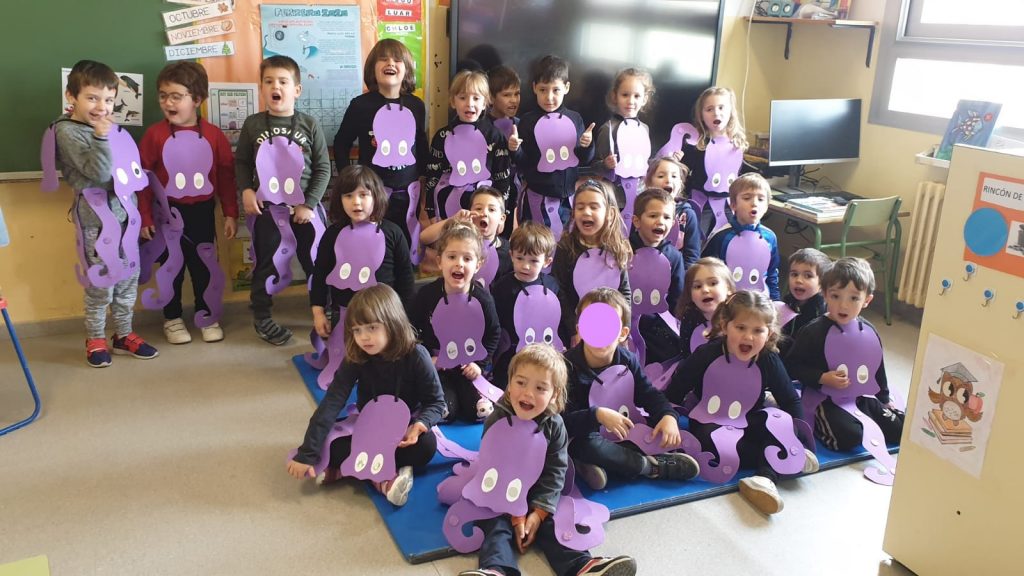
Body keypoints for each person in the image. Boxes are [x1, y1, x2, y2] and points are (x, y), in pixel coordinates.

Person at [458, 344, 638, 576]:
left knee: (557, 522)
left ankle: (582, 566)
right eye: (521, 383)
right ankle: (496, 569)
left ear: (554, 394)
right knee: (493, 523)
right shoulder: (497, 419)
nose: (528, 393)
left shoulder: (554, 425)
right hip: (500, 490)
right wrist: (515, 512)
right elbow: (494, 464)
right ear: (509, 384)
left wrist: (539, 512)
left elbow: (555, 471)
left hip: (538, 491)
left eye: (540, 388)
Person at [287, 285, 445, 507]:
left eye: (372, 327)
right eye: (357, 330)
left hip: (402, 428)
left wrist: (419, 425)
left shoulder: (417, 356)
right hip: (368, 427)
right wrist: (307, 453)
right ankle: (381, 477)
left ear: (393, 323)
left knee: (426, 446)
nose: (364, 337)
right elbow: (332, 402)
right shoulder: (357, 356)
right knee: (330, 444)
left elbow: (436, 402)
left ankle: (351, 470)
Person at [666, 291, 818, 515]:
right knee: (714, 443)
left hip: (749, 420)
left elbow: (790, 400)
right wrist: (668, 421)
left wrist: (799, 439)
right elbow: (674, 393)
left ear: (769, 333)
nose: (748, 337)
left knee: (782, 424)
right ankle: (778, 461)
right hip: (712, 422)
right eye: (741, 328)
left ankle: (764, 479)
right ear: (725, 326)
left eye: (758, 331)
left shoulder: (768, 358)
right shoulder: (706, 354)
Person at [51, 60, 158, 367]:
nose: (102, 107)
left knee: (127, 281)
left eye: (109, 100)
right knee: (102, 283)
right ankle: (95, 337)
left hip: (125, 218)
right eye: (92, 98)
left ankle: (124, 334)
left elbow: (128, 171)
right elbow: (99, 173)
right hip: (96, 223)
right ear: (71, 96)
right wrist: (101, 136)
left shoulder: (111, 130)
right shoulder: (67, 131)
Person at [138, 61, 238, 344]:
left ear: (197, 99)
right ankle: (172, 318)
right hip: (166, 213)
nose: (168, 102)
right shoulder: (154, 135)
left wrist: (230, 213)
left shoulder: (214, 135)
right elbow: (141, 179)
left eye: (176, 96)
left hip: (202, 212)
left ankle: (207, 314)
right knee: (171, 268)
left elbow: (226, 177)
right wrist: (145, 217)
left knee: (204, 266)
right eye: (163, 95)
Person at [563, 288, 698, 490]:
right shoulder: (565, 366)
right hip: (585, 434)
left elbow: (648, 394)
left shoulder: (627, 360)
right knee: (586, 446)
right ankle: (651, 466)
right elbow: (562, 421)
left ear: (623, 334)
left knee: (654, 427)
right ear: (580, 329)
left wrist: (667, 416)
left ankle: (602, 464)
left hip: (621, 426)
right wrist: (597, 415)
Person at [236, 55, 331, 345]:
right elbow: (241, 162)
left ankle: (325, 309)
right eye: (269, 81)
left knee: (316, 260)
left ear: (296, 90)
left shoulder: (309, 124)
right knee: (266, 262)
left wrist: (309, 204)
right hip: (267, 210)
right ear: (261, 88)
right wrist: (246, 190)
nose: (275, 87)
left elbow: (323, 168)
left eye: (283, 81)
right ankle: (262, 316)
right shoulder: (253, 124)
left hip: (304, 209)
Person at [784, 257, 905, 452]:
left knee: (900, 430)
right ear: (824, 294)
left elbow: (877, 367)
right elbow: (791, 366)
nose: (843, 306)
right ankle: (821, 426)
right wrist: (822, 378)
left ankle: (863, 417)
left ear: (867, 300)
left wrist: (884, 398)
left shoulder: (869, 330)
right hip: (824, 399)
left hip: (861, 395)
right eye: (835, 296)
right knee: (850, 437)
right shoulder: (813, 331)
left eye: (854, 298)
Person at [333, 39, 428, 250]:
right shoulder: (360, 105)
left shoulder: (416, 105)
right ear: (372, 68)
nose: (390, 63)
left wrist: (425, 183)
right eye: (383, 59)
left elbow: (421, 145)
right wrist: (349, 180)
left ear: (407, 69)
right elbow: (341, 143)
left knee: (406, 247)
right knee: (374, 247)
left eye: (397, 60)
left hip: (409, 194)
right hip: (371, 195)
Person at [309, 164, 415, 343]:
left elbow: (406, 278)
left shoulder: (393, 233)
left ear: (376, 196)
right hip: (344, 314)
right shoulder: (333, 234)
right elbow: (319, 274)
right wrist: (318, 313)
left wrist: (404, 318)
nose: (356, 202)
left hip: (385, 315)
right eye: (348, 196)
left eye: (363, 195)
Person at [410, 222, 500, 422]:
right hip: (439, 367)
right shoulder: (426, 295)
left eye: (467, 258)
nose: (459, 263)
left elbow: (493, 333)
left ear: (478, 265)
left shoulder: (483, 299)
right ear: (440, 261)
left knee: (477, 412)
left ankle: (471, 396)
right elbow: (411, 330)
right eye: (452, 257)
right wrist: (427, 359)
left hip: (468, 367)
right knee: (446, 411)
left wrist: (479, 365)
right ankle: (444, 403)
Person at [508, 55, 595, 238]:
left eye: (556, 90)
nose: (549, 97)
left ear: (567, 88)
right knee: (535, 242)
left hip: (568, 197)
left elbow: (583, 159)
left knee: (565, 240)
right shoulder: (527, 121)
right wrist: (515, 149)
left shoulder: (575, 119)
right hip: (537, 196)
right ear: (534, 88)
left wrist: (586, 145)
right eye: (543, 90)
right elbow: (524, 162)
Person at [551, 179, 632, 346]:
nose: (586, 212)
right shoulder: (566, 247)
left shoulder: (617, 247)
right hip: (576, 330)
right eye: (580, 207)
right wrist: (574, 330)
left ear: (610, 213)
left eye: (594, 207)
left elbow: (624, 292)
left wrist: (623, 327)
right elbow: (560, 291)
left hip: (610, 330)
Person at [425, 70, 511, 222]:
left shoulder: (495, 136)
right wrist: (431, 212)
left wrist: (501, 216)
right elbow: (433, 175)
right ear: (453, 101)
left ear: (485, 103)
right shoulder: (442, 136)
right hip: (448, 212)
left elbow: (502, 178)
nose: (469, 103)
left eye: (476, 98)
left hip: (483, 214)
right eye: (462, 97)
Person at [673, 87, 753, 240]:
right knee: (695, 241)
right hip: (701, 205)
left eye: (721, 107)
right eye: (709, 109)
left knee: (727, 242)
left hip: (728, 205)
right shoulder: (696, 144)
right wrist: (676, 162)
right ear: (701, 115)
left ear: (731, 111)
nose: (716, 113)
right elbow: (682, 174)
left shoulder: (737, 143)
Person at [490, 221, 561, 388]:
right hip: (509, 353)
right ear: (511, 255)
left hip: (542, 353)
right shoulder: (501, 287)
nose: (525, 266)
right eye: (520, 258)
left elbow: (557, 322)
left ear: (547, 262)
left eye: (534, 261)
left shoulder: (552, 286)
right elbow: (495, 323)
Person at [628, 188, 688, 367]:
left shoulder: (674, 257)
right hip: (625, 320)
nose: (660, 221)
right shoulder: (624, 250)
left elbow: (677, 298)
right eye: (653, 215)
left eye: (666, 217)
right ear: (637, 221)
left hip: (657, 325)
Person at [701, 173, 781, 300]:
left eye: (761, 199)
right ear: (733, 204)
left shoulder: (770, 237)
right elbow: (706, 273)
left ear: (766, 206)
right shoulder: (721, 236)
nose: (754, 203)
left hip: (759, 302)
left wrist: (775, 301)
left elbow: (772, 273)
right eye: (747, 198)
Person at [593, 68, 654, 229]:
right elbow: (595, 166)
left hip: (639, 197)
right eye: (625, 95)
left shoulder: (644, 129)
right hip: (615, 200)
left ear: (644, 99)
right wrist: (606, 164)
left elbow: (644, 163)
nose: (630, 101)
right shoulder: (608, 129)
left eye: (636, 96)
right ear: (615, 96)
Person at [420, 186, 510, 286]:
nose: (484, 213)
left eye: (491, 209)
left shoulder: (509, 252)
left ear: (502, 218)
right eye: (478, 208)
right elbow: (424, 238)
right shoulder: (457, 242)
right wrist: (454, 219)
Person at [674, 257, 735, 360]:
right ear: (690, 294)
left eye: (713, 283)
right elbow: (686, 353)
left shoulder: (736, 315)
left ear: (728, 288)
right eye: (697, 286)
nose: (705, 290)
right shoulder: (689, 317)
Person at [487, 65, 522, 238]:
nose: (513, 100)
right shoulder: (483, 126)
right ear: (491, 97)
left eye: (517, 94)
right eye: (507, 95)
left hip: (513, 190)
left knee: (505, 235)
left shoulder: (521, 124)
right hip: (488, 190)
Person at [777, 248, 831, 356]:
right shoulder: (788, 302)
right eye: (794, 274)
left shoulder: (821, 312)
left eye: (808, 276)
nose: (798, 280)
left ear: (822, 283)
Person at [644, 156, 698, 264]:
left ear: (680, 183)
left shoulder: (687, 214)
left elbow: (692, 256)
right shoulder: (641, 209)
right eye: (661, 176)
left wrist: (682, 273)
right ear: (649, 182)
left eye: (674, 176)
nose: (668, 180)